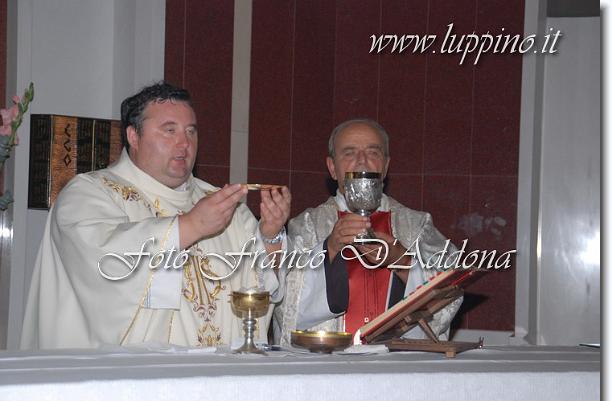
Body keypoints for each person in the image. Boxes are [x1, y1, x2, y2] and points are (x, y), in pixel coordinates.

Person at [21, 82, 291, 349]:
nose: (184, 143)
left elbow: (258, 289)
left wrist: (270, 236)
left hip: (219, 372)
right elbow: (105, 266)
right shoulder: (89, 193)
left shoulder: (223, 204)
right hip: (138, 374)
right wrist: (192, 226)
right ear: (133, 136)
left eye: (191, 131)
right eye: (169, 130)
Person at [274, 119, 462, 347]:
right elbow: (285, 304)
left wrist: (402, 260)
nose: (362, 160)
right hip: (327, 362)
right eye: (349, 153)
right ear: (332, 168)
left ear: (385, 166)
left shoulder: (416, 226)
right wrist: (329, 249)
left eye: (373, 152)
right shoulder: (307, 227)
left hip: (396, 363)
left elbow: (450, 291)